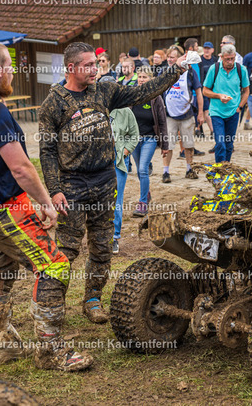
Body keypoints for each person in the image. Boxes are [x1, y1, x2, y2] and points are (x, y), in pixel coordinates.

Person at [0, 42, 92, 371]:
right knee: (55, 265)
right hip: (6, 209)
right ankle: (50, 350)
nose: (13, 73)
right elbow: (20, 168)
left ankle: (2, 346)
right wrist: (45, 202)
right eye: (9, 67)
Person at [39, 42, 187, 323]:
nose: (94, 70)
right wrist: (54, 191)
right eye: (87, 65)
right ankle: (54, 305)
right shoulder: (54, 103)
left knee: (102, 247)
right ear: (70, 68)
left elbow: (143, 91)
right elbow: (46, 151)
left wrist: (175, 70)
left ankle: (92, 300)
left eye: (95, 64)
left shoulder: (104, 91)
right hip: (72, 185)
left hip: (105, 181)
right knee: (67, 249)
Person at [161, 46, 204, 182]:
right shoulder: (164, 71)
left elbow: (199, 93)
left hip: (187, 113)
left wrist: (201, 113)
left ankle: (189, 169)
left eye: (172, 57)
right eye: (168, 57)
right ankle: (166, 172)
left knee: (188, 144)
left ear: (180, 58)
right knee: (168, 145)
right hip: (169, 115)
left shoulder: (190, 72)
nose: (169, 59)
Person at [130, 66, 168, 216]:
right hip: (134, 139)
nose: (141, 80)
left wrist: (165, 145)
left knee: (142, 169)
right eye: (139, 77)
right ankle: (147, 194)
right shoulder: (132, 95)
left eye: (144, 77)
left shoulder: (156, 98)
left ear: (151, 79)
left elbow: (162, 122)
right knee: (140, 171)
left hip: (150, 138)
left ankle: (142, 204)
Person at [203, 43, 250, 162]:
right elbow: (205, 91)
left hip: (233, 112)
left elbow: (246, 91)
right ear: (222, 57)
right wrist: (218, 96)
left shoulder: (241, 70)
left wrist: (239, 107)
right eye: (227, 59)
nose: (230, 62)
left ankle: (226, 168)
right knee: (220, 143)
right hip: (217, 112)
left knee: (229, 145)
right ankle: (219, 168)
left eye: (232, 59)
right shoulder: (214, 69)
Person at [111, 107, 139, 254]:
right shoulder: (95, 108)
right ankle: (99, 235)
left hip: (118, 159)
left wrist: (125, 152)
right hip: (98, 160)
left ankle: (114, 237)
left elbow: (134, 135)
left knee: (116, 197)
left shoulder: (125, 111)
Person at [200, 41, 217, 141]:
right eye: (205, 48)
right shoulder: (200, 61)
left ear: (212, 50)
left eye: (208, 48)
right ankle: (212, 130)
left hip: (214, 89)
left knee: (212, 109)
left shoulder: (215, 60)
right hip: (203, 88)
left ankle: (208, 130)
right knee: (206, 110)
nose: (206, 50)